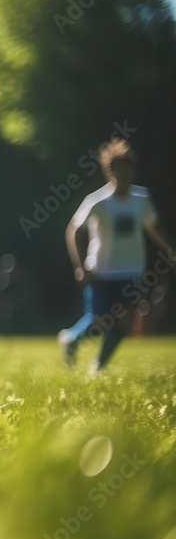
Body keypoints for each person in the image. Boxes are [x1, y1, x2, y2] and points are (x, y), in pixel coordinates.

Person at [58, 138, 174, 375]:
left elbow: (153, 227)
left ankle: (98, 368)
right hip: (101, 270)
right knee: (100, 320)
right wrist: (80, 267)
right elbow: (73, 231)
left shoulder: (141, 199)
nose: (125, 175)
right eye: (120, 170)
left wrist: (169, 250)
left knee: (123, 322)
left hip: (131, 271)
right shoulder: (98, 201)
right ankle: (72, 338)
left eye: (129, 169)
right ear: (110, 172)